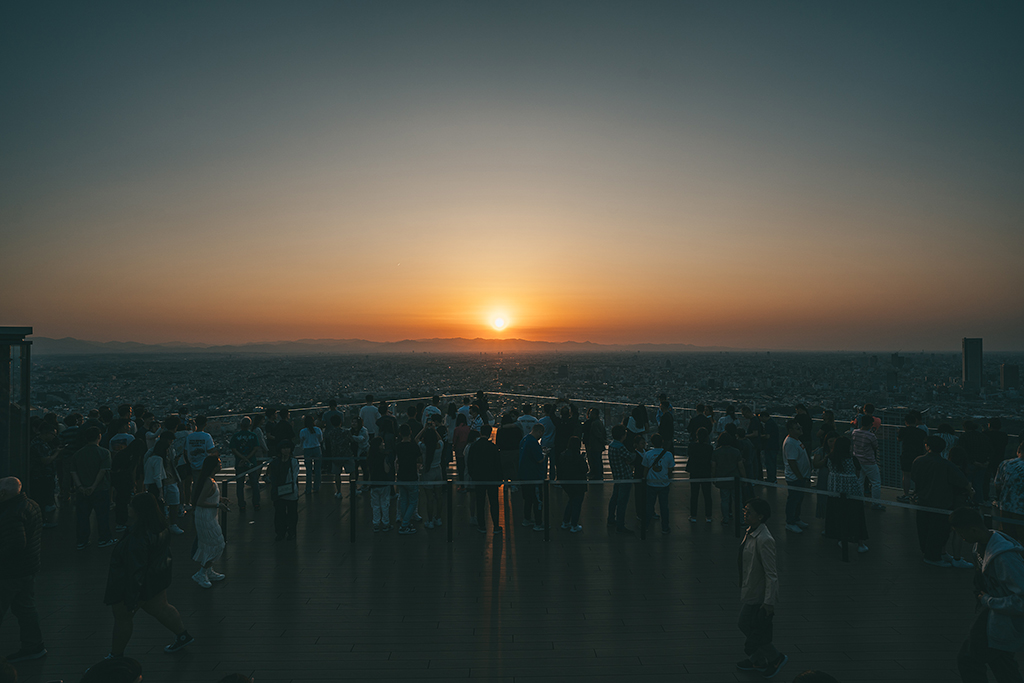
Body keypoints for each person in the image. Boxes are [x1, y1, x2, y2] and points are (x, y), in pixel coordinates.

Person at [104, 493, 193, 657]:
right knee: (161, 608)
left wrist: (131, 597)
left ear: (139, 511)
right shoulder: (161, 527)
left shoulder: (138, 536)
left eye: (131, 506)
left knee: (122, 617)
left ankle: (116, 655)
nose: (129, 508)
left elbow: (135, 569)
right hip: (156, 579)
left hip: (135, 584)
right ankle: (182, 635)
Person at [949, 506, 1024, 682]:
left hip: (1002, 615)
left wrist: (988, 600)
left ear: (973, 529)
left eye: (962, 534)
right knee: (1001, 662)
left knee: (969, 659)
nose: (962, 538)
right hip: (998, 615)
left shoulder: (1004, 557)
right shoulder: (981, 546)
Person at [736, 498, 787, 678]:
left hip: (759, 594)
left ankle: (771, 657)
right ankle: (759, 659)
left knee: (745, 623)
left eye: (749, 511)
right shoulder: (752, 531)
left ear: (760, 516)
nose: (745, 513)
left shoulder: (764, 539)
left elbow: (771, 573)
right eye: (745, 510)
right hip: (752, 589)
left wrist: (768, 601)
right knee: (749, 625)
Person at [0, 477, 45, 663]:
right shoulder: (30, 504)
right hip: (28, 568)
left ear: (3, 493)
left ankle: (33, 646)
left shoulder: (10, 513)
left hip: (10, 572)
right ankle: (33, 646)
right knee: (26, 608)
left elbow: (15, 544)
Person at [912, 436, 973, 567]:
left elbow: (914, 477)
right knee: (937, 531)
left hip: (922, 501)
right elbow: (962, 481)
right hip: (941, 503)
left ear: (927, 446)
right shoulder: (946, 465)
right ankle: (933, 557)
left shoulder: (918, 461)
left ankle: (928, 554)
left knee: (923, 529)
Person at [816, 436, 869, 553]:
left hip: (834, 493)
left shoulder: (830, 458)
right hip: (852, 494)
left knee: (838, 517)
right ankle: (860, 543)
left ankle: (840, 538)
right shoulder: (852, 459)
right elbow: (858, 474)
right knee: (856, 517)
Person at [70, 426, 114, 550]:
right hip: (100, 489)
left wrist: (80, 487)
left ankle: (82, 541)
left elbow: (73, 472)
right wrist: (93, 486)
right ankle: (104, 539)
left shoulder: (77, 454)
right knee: (102, 515)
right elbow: (103, 471)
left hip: (82, 490)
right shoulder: (104, 452)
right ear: (99, 437)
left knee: (82, 517)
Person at [191, 456, 229, 588]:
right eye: (219, 463)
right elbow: (200, 501)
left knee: (209, 544)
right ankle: (201, 573)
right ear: (213, 466)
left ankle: (208, 571)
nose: (221, 464)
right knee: (217, 544)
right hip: (206, 517)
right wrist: (218, 505)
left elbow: (206, 497)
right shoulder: (208, 481)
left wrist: (220, 499)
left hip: (207, 516)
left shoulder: (208, 480)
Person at [468, 425, 503, 535]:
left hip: (478, 477)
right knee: (494, 502)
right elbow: (498, 464)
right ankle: (496, 525)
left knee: (480, 502)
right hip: (491, 478)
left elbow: (469, 463)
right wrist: (499, 478)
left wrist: (473, 475)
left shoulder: (474, 446)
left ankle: (482, 525)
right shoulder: (493, 447)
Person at [267, 440, 300, 540]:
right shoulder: (291, 462)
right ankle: (286, 532)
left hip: (282, 490)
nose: (286, 450)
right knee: (283, 513)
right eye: (284, 448)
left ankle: (286, 532)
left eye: (287, 448)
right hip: (287, 490)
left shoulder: (278, 462)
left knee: (287, 513)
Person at [782, 420, 811, 533]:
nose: (800, 429)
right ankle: (790, 522)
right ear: (790, 431)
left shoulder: (795, 440)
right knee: (793, 500)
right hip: (795, 477)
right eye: (797, 428)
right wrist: (799, 476)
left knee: (798, 499)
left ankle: (795, 518)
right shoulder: (790, 443)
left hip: (799, 476)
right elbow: (792, 461)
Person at [642, 433, 674, 535]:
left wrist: (644, 479)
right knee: (664, 506)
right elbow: (670, 469)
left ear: (652, 443)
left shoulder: (648, 454)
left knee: (649, 506)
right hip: (664, 484)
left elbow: (645, 469)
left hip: (651, 483)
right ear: (662, 442)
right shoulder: (668, 454)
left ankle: (645, 526)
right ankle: (665, 527)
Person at [229, 417, 263, 511]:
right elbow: (256, 448)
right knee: (254, 483)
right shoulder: (253, 435)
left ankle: (242, 504)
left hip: (239, 463)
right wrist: (248, 458)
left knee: (240, 485)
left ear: (241, 425)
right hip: (251, 462)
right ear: (250, 425)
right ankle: (256, 503)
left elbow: (233, 449)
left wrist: (242, 458)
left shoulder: (236, 436)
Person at [416, 419, 445, 529]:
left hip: (428, 472)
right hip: (438, 470)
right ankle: (438, 518)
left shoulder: (424, 447)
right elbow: (440, 439)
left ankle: (430, 520)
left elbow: (416, 439)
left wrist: (424, 429)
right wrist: (433, 429)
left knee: (429, 499)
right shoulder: (439, 446)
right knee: (439, 496)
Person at [605, 424, 634, 535]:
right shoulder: (620, 447)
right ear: (623, 435)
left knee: (614, 498)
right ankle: (620, 525)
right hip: (625, 477)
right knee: (622, 502)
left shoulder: (612, 445)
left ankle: (611, 519)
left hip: (617, 476)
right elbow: (630, 458)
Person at [851, 414, 884, 510]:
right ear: (870, 424)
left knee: (860, 481)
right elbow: (875, 447)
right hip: (869, 461)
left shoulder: (854, 432)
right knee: (876, 482)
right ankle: (876, 503)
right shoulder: (871, 435)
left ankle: (861, 502)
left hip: (857, 461)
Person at [994, 442, 1024, 543]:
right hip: (1021, 511)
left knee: (1007, 539)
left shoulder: (1005, 463)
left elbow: (997, 484)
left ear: (1018, 451)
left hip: (1006, 507)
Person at [518, 424, 546, 532]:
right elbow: (539, 459)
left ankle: (527, 519)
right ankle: (538, 523)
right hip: (534, 475)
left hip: (524, 474)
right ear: (540, 432)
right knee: (537, 500)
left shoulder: (524, 440)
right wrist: (544, 454)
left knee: (528, 499)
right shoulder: (533, 442)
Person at [713, 432, 744, 526]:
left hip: (723, 479)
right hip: (735, 479)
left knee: (724, 500)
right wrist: (744, 477)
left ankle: (725, 518)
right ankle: (741, 519)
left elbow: (713, 466)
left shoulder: (716, 452)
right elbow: (741, 466)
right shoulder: (736, 451)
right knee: (738, 501)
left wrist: (714, 477)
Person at [395, 424, 421, 535]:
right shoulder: (414, 446)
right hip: (412, 476)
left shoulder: (398, 446)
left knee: (404, 500)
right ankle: (405, 524)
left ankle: (404, 521)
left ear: (400, 433)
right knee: (413, 502)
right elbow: (419, 459)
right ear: (410, 432)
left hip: (401, 476)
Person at [559, 436, 589, 533]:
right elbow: (585, 469)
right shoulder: (578, 457)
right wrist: (583, 459)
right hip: (578, 483)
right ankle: (574, 524)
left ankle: (566, 521)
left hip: (567, 483)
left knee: (571, 501)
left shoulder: (563, 455)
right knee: (577, 504)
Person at [898, 411, 927, 503]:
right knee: (918, 476)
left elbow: (899, 439)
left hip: (906, 454)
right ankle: (917, 494)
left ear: (906, 422)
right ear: (915, 421)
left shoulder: (903, 430)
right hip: (919, 456)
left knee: (906, 475)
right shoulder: (922, 432)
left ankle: (906, 495)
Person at [687, 427, 714, 523]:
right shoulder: (709, 448)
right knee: (707, 495)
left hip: (695, 472)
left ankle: (693, 515)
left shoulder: (692, 446)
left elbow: (689, 454)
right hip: (706, 472)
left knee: (694, 494)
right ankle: (708, 516)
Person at [366, 437, 394, 532]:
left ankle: (376, 523)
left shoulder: (370, 457)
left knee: (375, 505)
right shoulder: (384, 456)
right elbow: (386, 470)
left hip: (374, 482)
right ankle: (386, 523)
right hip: (384, 482)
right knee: (385, 504)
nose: (383, 444)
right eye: (382, 443)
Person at [299, 414, 324, 495]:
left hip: (307, 449)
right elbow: (321, 439)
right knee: (317, 470)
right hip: (317, 448)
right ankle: (316, 487)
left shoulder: (303, 431)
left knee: (308, 471)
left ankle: (308, 489)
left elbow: (301, 441)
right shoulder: (318, 429)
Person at [757, 412, 781, 484]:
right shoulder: (772, 422)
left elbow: (768, 436)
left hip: (770, 446)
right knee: (772, 462)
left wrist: (759, 436)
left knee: (770, 462)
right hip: (774, 446)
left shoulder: (768, 424)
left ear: (763, 416)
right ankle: (772, 478)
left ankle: (771, 478)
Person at [584, 407, 607, 480]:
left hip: (595, 445)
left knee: (595, 460)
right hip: (598, 445)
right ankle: (598, 474)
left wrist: (601, 441)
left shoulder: (594, 423)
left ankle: (597, 475)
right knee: (598, 460)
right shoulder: (599, 422)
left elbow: (598, 435)